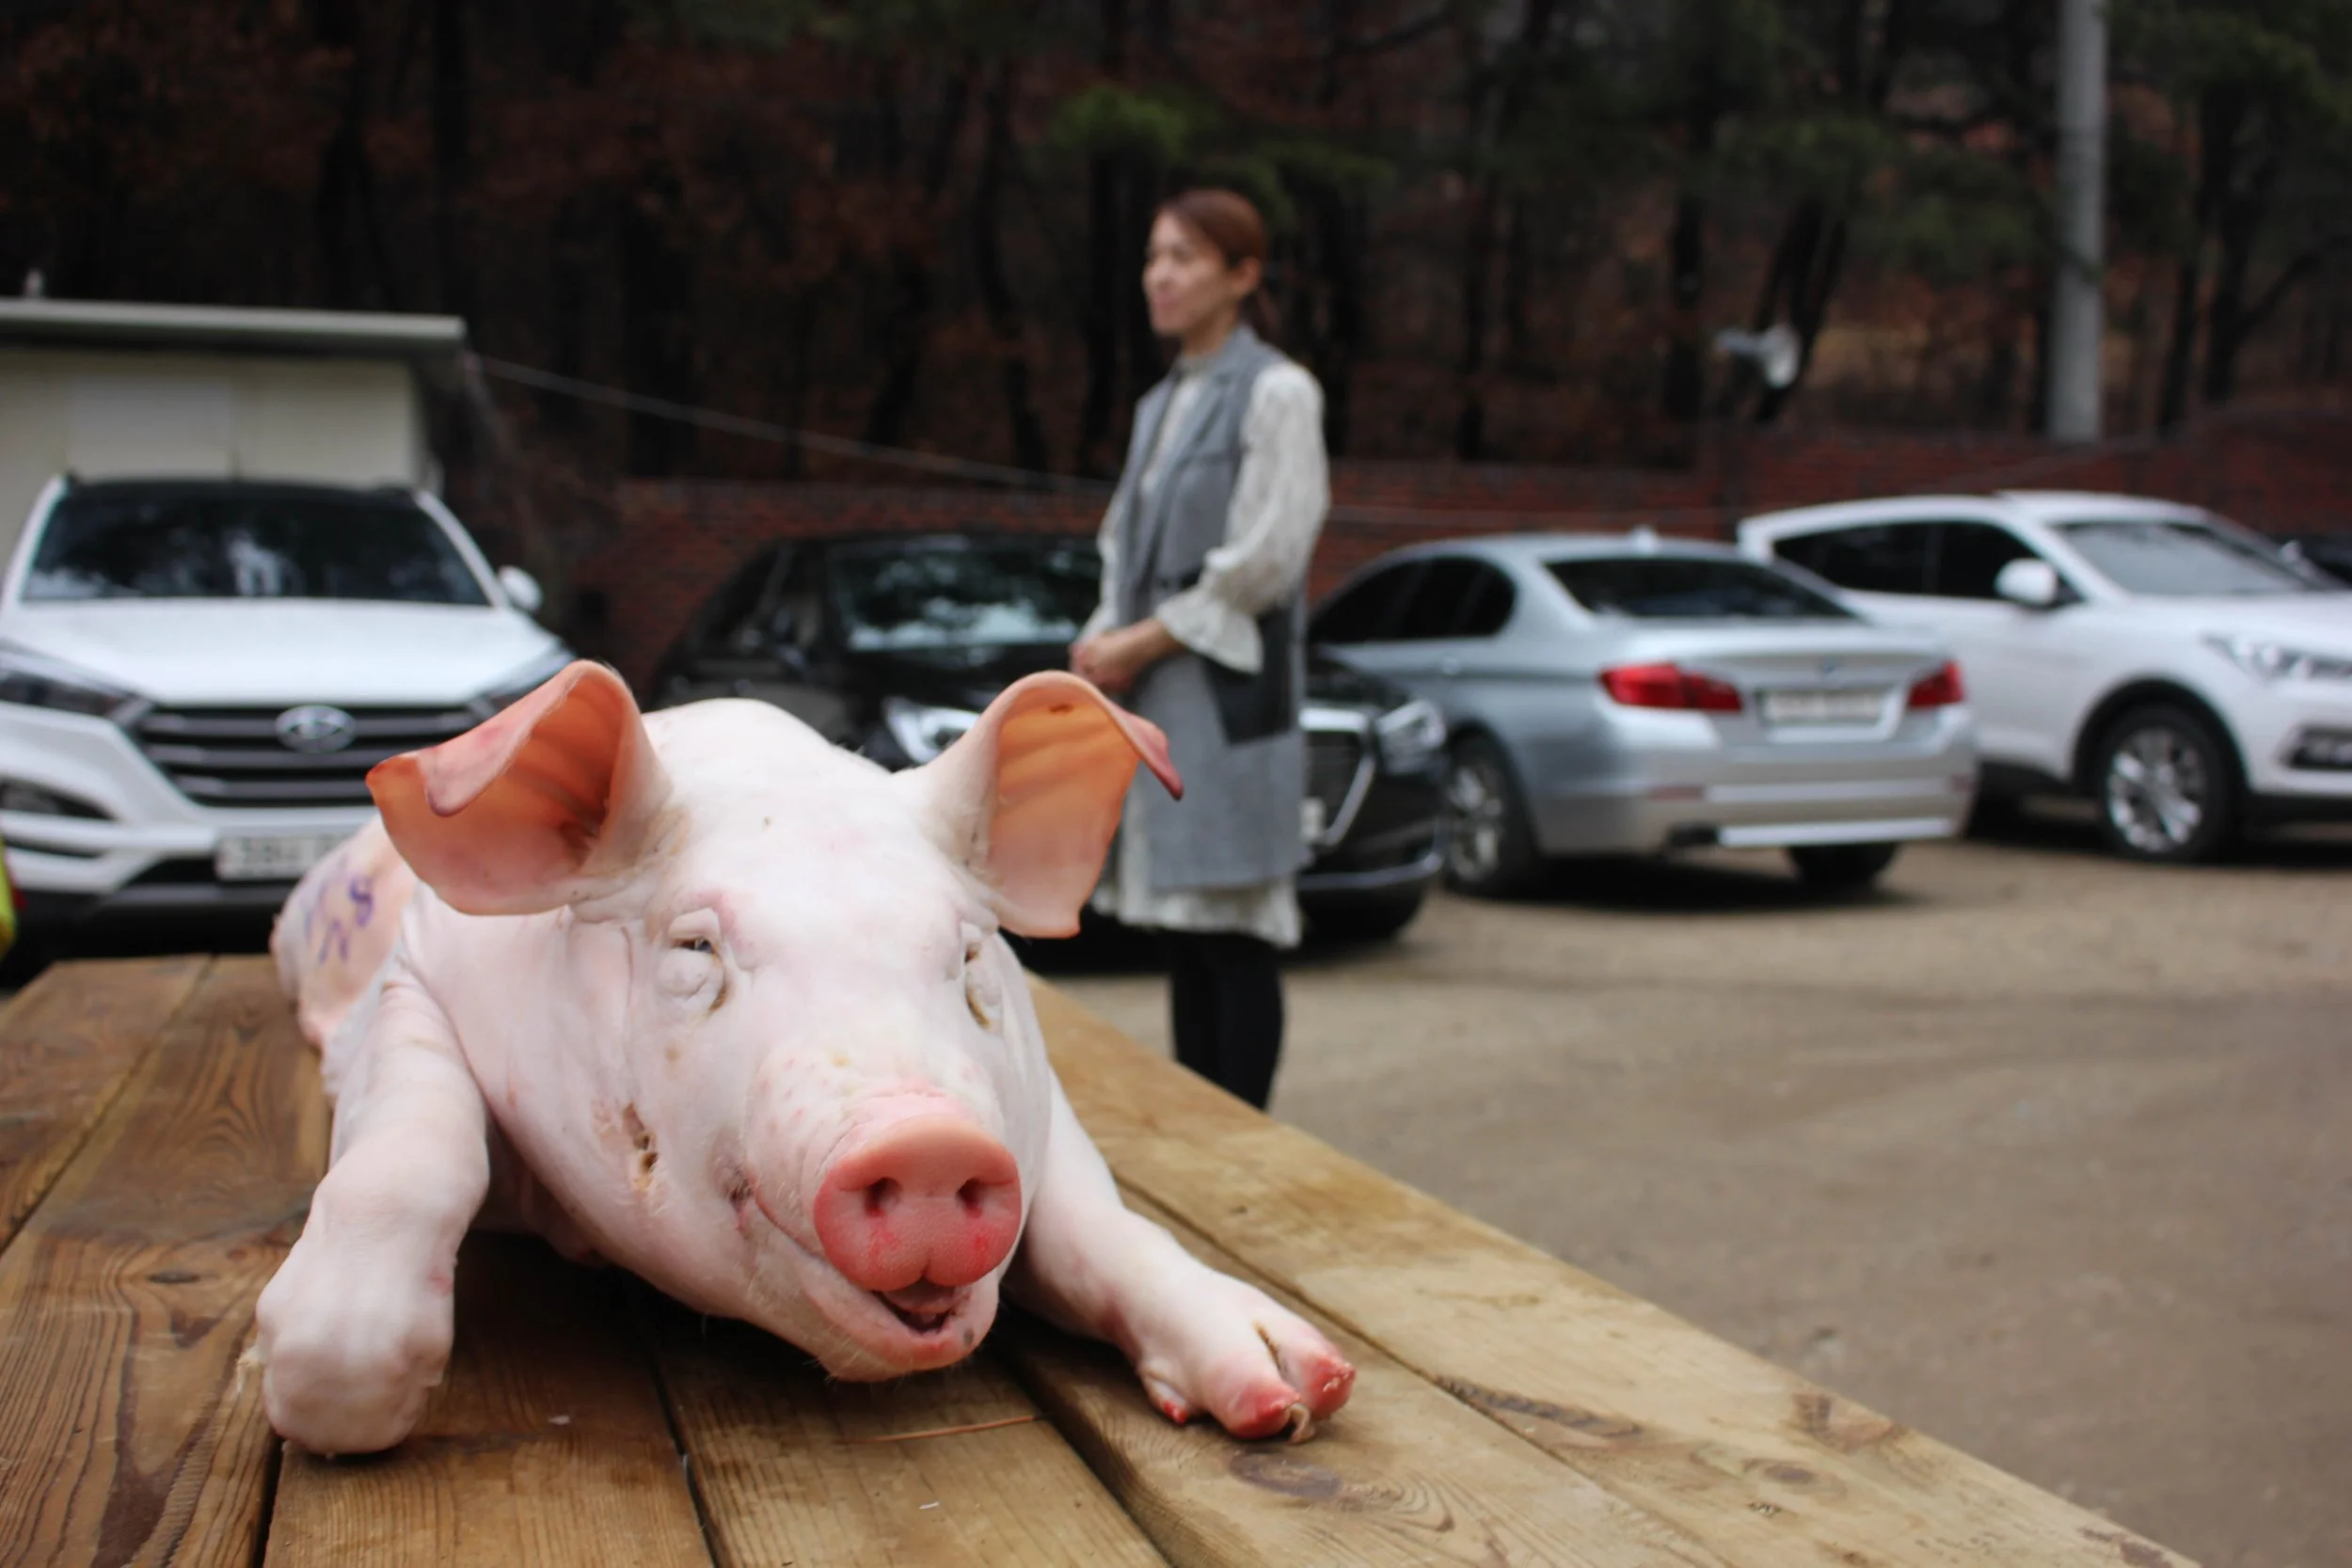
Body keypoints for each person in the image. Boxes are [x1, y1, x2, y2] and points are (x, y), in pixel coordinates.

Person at [1071, 187, 1329, 1112]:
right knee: (1181, 934)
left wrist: (1140, 639)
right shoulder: (1159, 405)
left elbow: (1267, 554)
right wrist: (1105, 633)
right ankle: (1203, 1137)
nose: (1160, 275)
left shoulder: (1278, 391)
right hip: (1158, 695)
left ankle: (1245, 1142)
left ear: (1241, 274)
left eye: (1182, 256)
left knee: (1231, 931)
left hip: (1226, 698)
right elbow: (1121, 541)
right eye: (1152, 255)